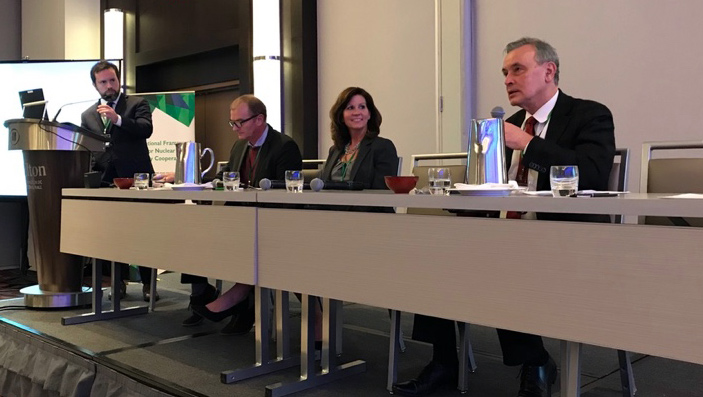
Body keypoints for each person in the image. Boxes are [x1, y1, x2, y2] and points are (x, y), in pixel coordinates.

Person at [392, 37, 615, 397]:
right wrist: (464, 197)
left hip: (564, 241)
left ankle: (536, 361)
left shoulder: (589, 115)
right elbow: (494, 190)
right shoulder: (506, 126)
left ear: (549, 71)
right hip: (505, 237)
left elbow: (590, 174)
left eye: (518, 69)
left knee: (501, 262)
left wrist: (526, 144)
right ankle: (445, 363)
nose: (508, 79)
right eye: (504, 72)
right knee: (434, 258)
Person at [183, 94, 303, 334]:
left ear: (259, 120)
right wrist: (204, 184)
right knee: (192, 232)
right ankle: (201, 293)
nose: (235, 128)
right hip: (239, 220)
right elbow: (225, 176)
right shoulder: (240, 145)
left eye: (240, 122)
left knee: (247, 244)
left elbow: (285, 194)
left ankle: (239, 299)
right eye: (232, 123)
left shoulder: (284, 146)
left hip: (270, 224)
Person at [80, 60, 159, 302]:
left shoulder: (136, 103)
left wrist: (118, 120)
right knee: (112, 236)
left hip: (137, 181)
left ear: (118, 80)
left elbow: (146, 129)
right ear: (95, 86)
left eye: (112, 80)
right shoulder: (88, 115)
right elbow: (89, 148)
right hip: (105, 182)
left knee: (145, 234)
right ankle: (118, 282)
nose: (109, 85)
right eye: (103, 82)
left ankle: (148, 284)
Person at [319, 86, 399, 190]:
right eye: (350, 108)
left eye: (362, 107)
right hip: (333, 206)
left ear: (369, 113)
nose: (357, 112)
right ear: (341, 116)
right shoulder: (335, 150)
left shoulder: (383, 147)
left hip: (366, 205)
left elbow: (382, 193)